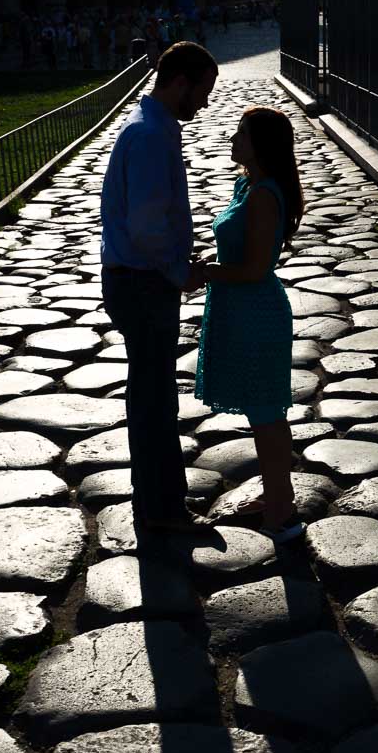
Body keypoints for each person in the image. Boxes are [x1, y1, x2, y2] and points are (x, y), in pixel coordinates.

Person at [101, 41, 219, 533]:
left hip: (136, 278)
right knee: (154, 402)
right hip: (144, 283)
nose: (205, 103)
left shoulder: (149, 129)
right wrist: (179, 271)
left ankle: (154, 501)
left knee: (149, 396)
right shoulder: (151, 137)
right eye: (202, 92)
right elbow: (147, 228)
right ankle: (162, 510)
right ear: (179, 83)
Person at [195, 108, 305, 544]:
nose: (234, 137)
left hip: (255, 312)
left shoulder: (263, 195)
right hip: (238, 310)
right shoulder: (247, 185)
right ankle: (276, 492)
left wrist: (205, 273)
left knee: (266, 413)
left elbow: (256, 268)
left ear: (261, 142)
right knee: (262, 412)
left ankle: (282, 508)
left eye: (242, 132)